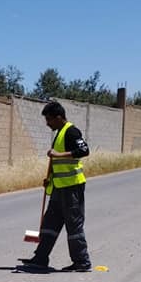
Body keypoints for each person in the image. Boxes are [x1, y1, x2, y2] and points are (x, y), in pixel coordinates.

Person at [19, 102, 92, 271]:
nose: (47, 123)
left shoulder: (71, 131)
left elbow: (84, 151)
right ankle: (40, 258)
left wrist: (58, 154)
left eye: (49, 119)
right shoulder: (59, 133)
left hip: (72, 188)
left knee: (74, 227)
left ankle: (82, 262)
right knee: (49, 224)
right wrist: (50, 178)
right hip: (58, 188)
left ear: (58, 117)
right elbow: (58, 162)